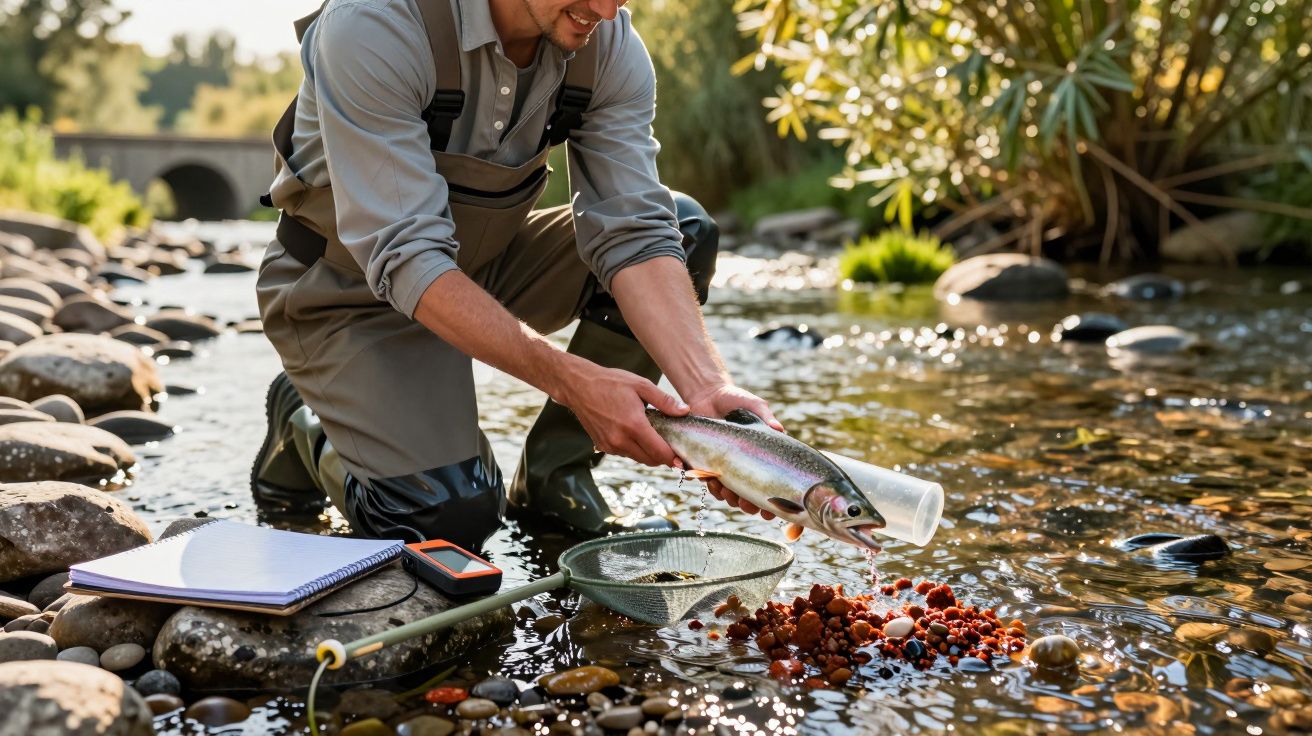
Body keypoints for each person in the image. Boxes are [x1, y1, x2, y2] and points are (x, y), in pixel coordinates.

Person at [251, 0, 779, 550]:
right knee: (444, 521)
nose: (605, 8)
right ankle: (307, 420)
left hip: (485, 270)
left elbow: (635, 232)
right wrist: (573, 381)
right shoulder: (374, 25)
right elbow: (407, 255)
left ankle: (555, 480)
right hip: (347, 299)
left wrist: (707, 389)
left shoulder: (608, 45)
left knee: (683, 229)